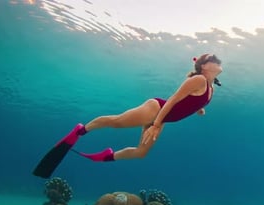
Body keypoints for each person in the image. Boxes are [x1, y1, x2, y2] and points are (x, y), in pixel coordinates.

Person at [57, 53, 223, 162]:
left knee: (141, 153)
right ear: (204, 66)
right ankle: (80, 130)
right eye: (213, 60)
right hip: (156, 110)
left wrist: (198, 109)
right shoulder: (199, 80)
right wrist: (156, 125)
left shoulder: (210, 88)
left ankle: (107, 156)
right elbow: (173, 100)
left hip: (161, 118)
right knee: (117, 122)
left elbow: (192, 100)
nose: (217, 61)